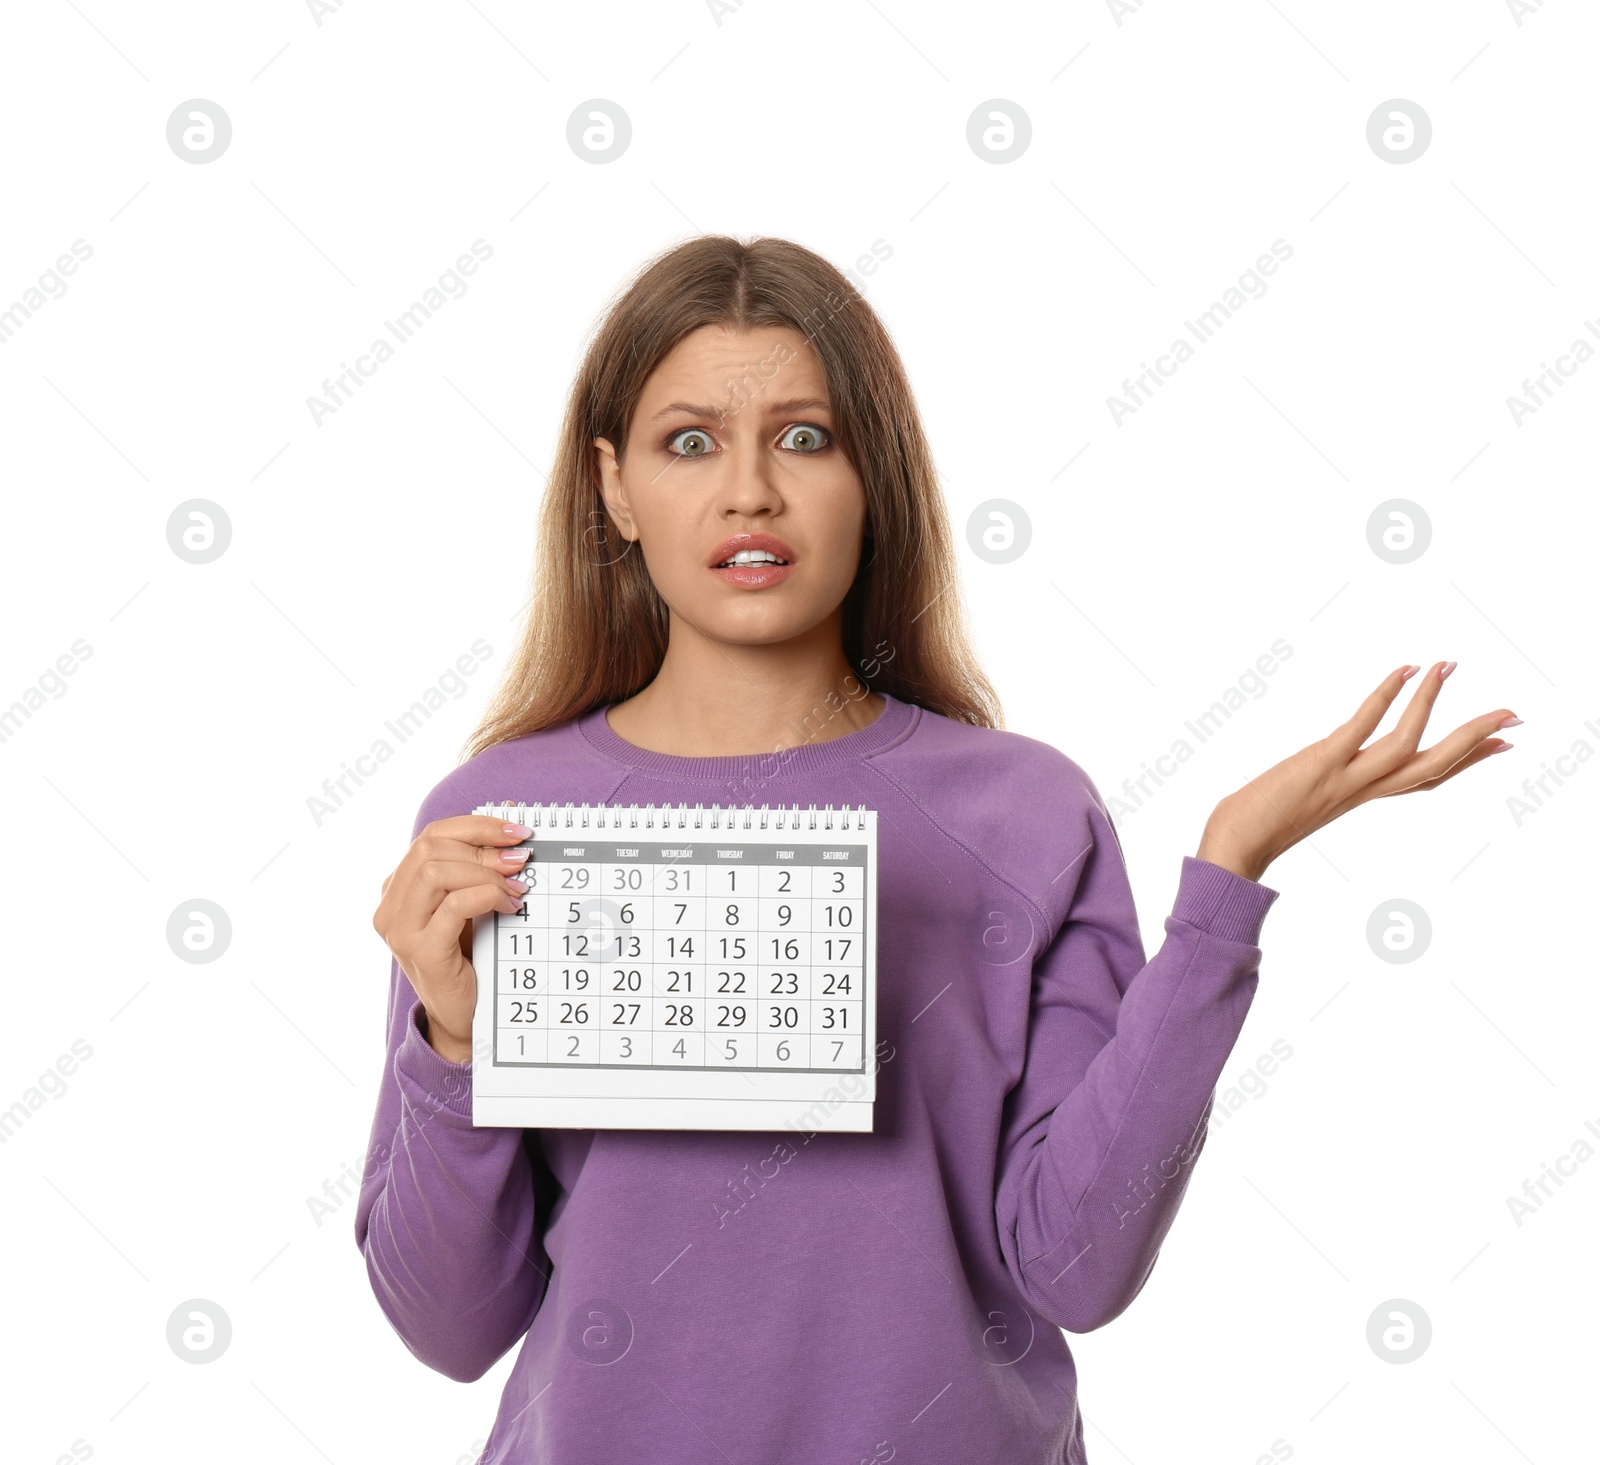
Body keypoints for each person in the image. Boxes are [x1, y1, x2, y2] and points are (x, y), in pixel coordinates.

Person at [358, 235, 1517, 1465]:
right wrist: (453, 1043)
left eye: (805, 438)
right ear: (614, 487)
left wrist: (1226, 885)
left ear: (875, 477)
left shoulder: (1026, 813)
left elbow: (1075, 1266)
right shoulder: (499, 817)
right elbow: (449, 1326)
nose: (749, 492)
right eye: (688, 442)